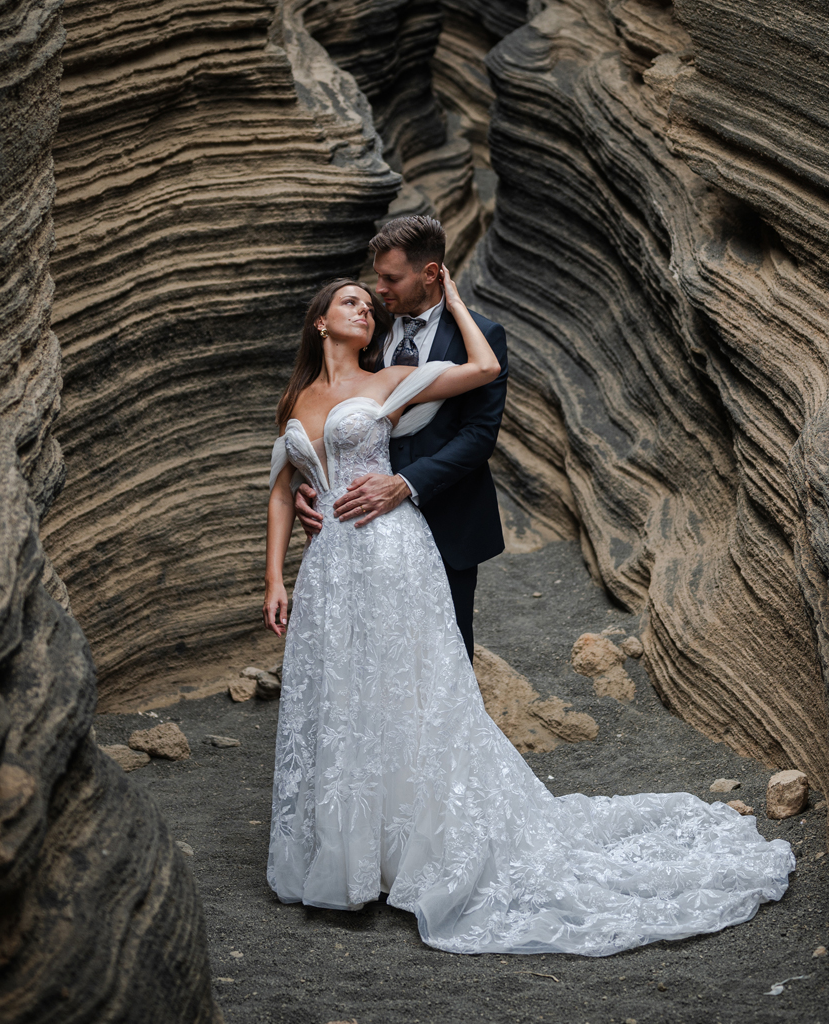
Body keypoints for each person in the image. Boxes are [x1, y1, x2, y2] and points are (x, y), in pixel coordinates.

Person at [262, 274, 795, 956]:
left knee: (409, 695)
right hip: (332, 568)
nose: (365, 307)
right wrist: (276, 577)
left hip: (393, 553)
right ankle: (354, 857)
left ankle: (414, 852)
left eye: (370, 302)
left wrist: (452, 295)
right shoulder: (296, 400)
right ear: (320, 323)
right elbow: (283, 489)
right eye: (350, 302)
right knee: (346, 700)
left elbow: (483, 368)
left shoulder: (392, 378)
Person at [293, 216, 507, 661]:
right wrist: (312, 483)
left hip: (448, 516)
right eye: (377, 277)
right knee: (371, 651)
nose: (379, 290)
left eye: (391, 278)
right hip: (366, 526)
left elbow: (479, 435)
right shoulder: (370, 331)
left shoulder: (482, 337)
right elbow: (337, 415)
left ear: (430, 273)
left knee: (443, 653)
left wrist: (404, 483)